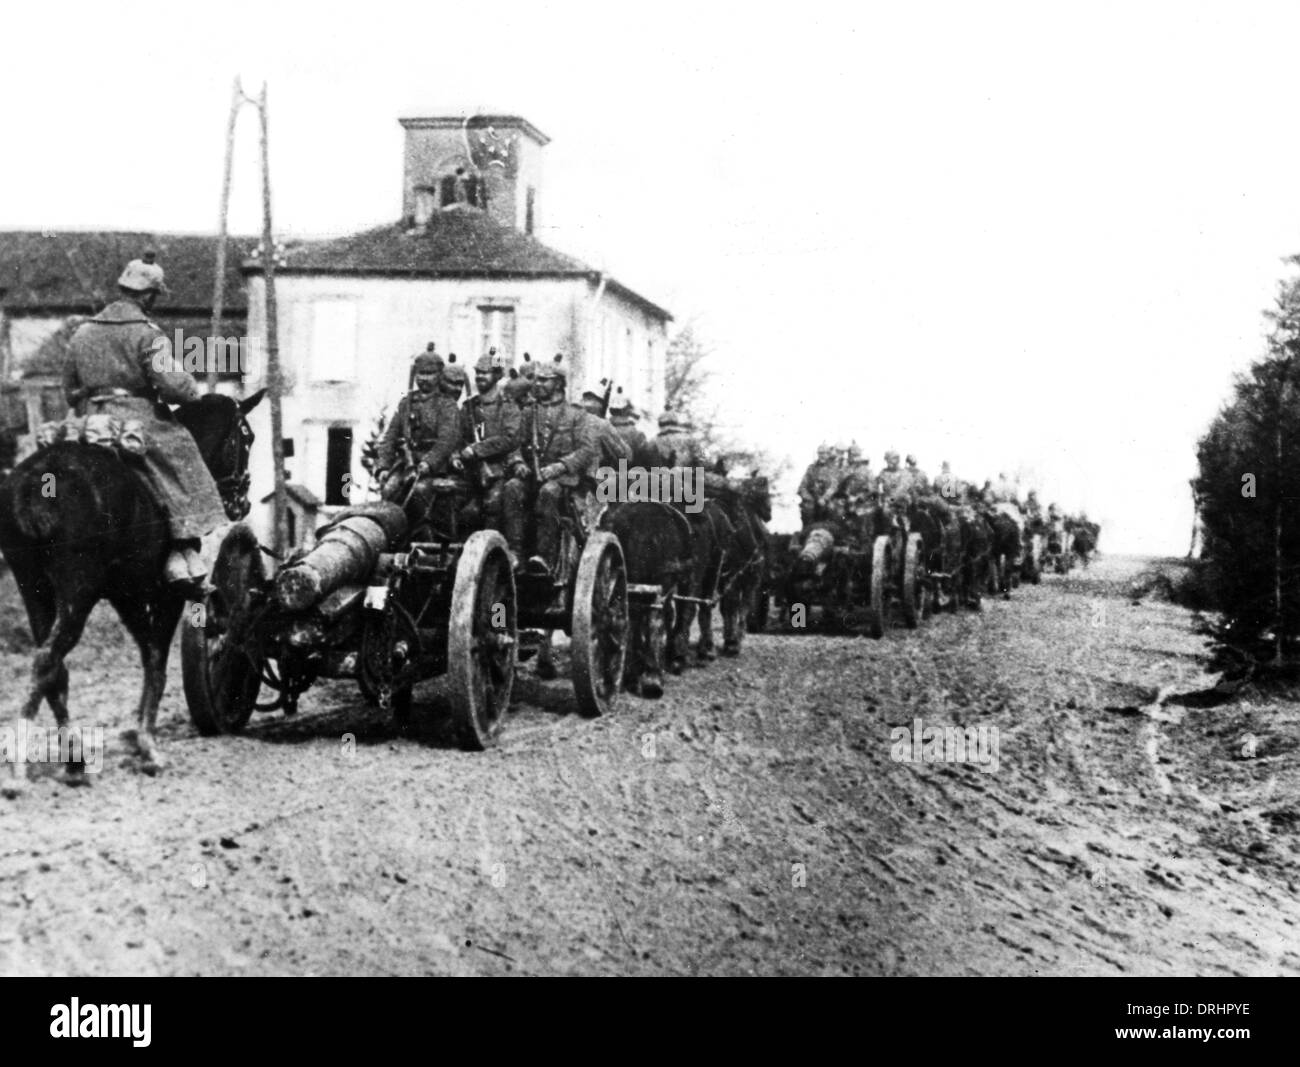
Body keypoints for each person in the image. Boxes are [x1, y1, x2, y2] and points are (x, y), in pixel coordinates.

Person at [63, 254, 227, 588]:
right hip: (135, 418)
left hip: (91, 418)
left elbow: (69, 389)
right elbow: (173, 385)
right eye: (154, 296)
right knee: (182, 453)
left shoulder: (82, 332)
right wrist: (191, 391)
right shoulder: (147, 334)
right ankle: (182, 546)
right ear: (147, 296)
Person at [522, 356, 598, 575]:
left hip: (563, 482)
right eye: (536, 380)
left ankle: (543, 557)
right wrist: (518, 462)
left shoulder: (576, 415)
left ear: (558, 383)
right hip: (531, 477)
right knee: (511, 489)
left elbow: (586, 451)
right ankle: (514, 553)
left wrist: (560, 467)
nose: (538, 384)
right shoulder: (529, 412)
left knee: (549, 492)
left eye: (545, 380)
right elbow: (514, 444)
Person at [374, 350, 463, 537]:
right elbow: (390, 437)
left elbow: (446, 441)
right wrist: (383, 467)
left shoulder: (447, 405)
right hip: (407, 464)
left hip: (436, 467)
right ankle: (394, 539)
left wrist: (429, 463)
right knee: (390, 488)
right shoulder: (406, 404)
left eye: (430, 374)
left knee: (420, 492)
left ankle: (425, 540)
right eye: (420, 373)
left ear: (439, 376)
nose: (424, 379)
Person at [456, 350, 526, 565]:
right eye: (477, 373)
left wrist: (478, 449)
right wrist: (456, 456)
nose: (479, 378)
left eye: (485, 373)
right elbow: (458, 438)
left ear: (497, 376)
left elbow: (510, 439)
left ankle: (493, 558)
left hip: (500, 470)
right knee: (456, 505)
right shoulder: (469, 406)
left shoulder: (508, 406)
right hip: (471, 471)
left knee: (493, 503)